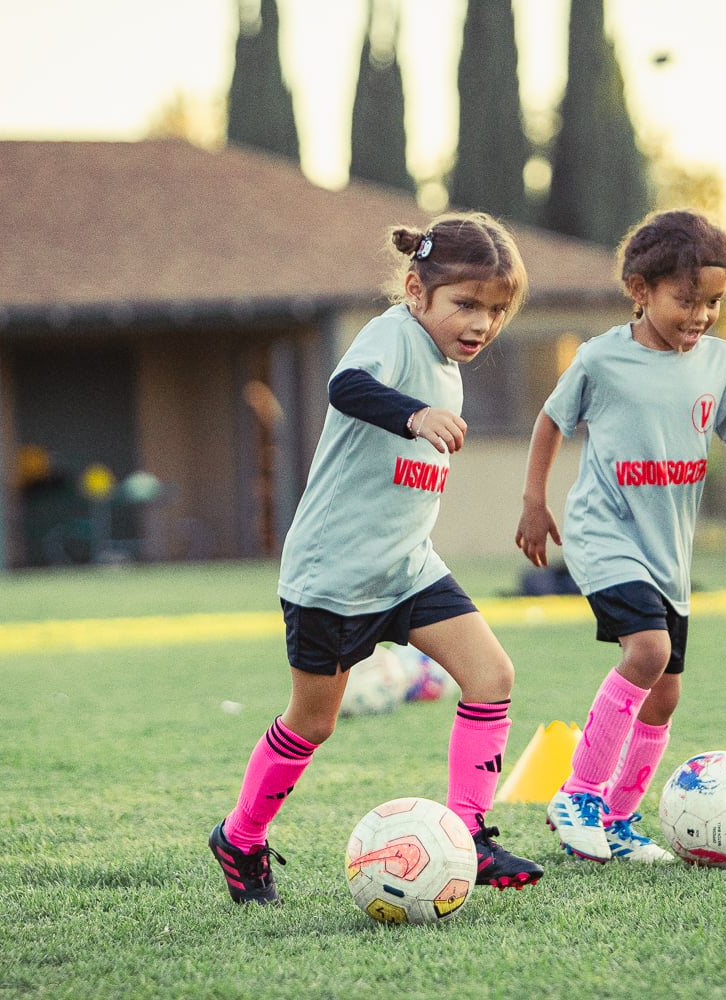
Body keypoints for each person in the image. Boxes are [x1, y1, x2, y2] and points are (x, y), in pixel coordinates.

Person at [210, 212, 545, 904]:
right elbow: (347, 387)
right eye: (466, 304)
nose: (482, 324)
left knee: (491, 675)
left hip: (409, 569)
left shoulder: (448, 365)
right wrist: (414, 416)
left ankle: (470, 838)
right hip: (334, 577)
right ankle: (239, 839)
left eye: (495, 310)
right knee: (313, 723)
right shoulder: (393, 336)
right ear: (417, 290)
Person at [514, 209, 726, 864]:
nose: (702, 315)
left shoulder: (720, 363)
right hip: (604, 533)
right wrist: (534, 502)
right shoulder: (601, 358)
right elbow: (551, 422)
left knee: (664, 694)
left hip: (669, 553)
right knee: (649, 651)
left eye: (713, 302)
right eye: (687, 300)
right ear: (641, 289)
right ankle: (578, 795)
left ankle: (616, 821)